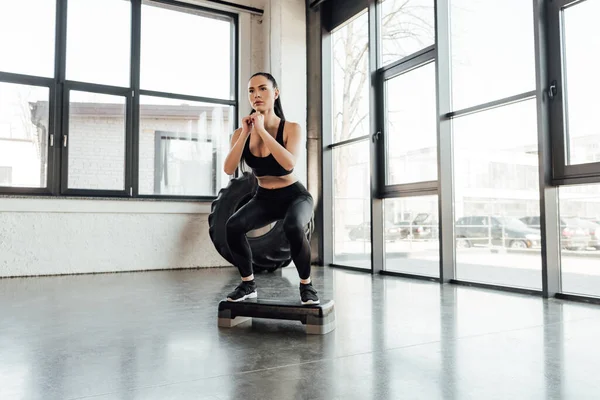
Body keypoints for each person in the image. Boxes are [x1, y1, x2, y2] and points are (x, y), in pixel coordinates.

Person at [222, 72, 319, 305]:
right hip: (265, 197)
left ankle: (306, 286)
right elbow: (228, 168)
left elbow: (288, 164)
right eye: (251, 90)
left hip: (295, 195)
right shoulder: (240, 133)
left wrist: (263, 131)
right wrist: (246, 133)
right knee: (233, 226)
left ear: (275, 93)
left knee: (293, 225)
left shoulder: (291, 128)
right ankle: (248, 285)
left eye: (263, 89)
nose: (256, 95)